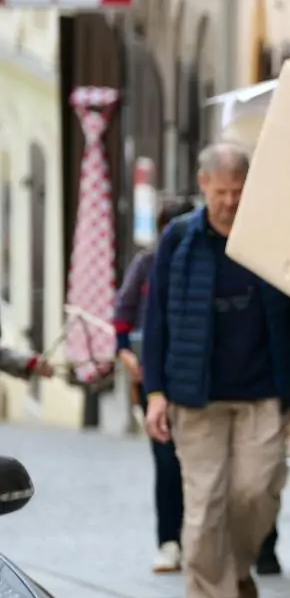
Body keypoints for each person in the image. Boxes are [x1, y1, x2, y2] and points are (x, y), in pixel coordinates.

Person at [142, 143, 290, 598]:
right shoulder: (179, 240)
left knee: (257, 491)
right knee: (205, 503)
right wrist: (155, 392)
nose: (229, 201)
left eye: (238, 191)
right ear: (204, 186)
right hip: (194, 397)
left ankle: (236, 569)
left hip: (263, 392)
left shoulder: (270, 239)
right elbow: (155, 320)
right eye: (221, 191)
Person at [114, 195, 196, 573]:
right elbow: (123, 315)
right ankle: (168, 541)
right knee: (166, 463)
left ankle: (198, 541)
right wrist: (128, 356)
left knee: (199, 465)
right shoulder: (147, 264)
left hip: (196, 383)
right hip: (156, 379)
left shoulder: (204, 260)